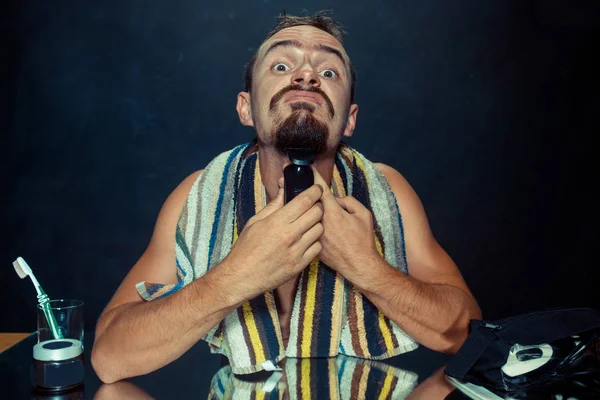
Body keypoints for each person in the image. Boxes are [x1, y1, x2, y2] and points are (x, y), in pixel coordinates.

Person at [91, 11, 481, 384]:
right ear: (246, 108)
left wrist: (366, 266)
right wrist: (237, 276)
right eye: (281, 66)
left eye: (329, 72)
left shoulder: (388, 191)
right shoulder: (195, 197)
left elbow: (468, 334)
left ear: (350, 119)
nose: (307, 75)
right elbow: (109, 357)